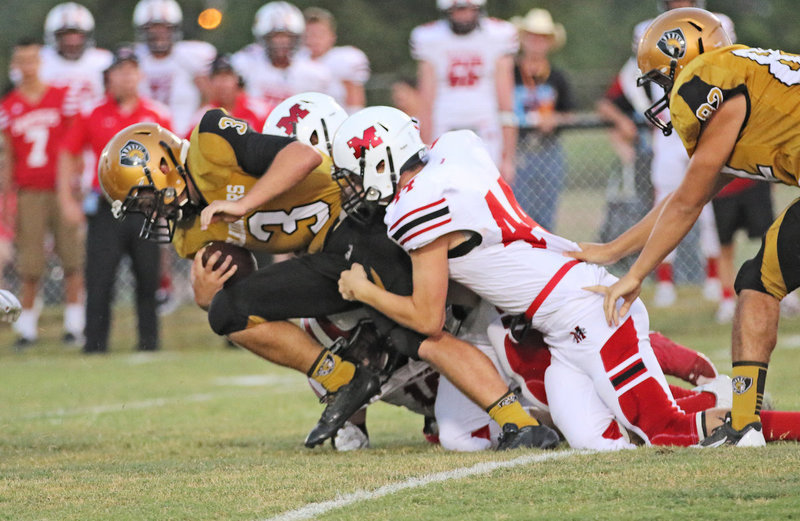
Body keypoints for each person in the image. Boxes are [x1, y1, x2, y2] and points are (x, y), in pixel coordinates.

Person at [332, 106, 733, 449]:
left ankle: (757, 419)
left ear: (382, 161)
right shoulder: (452, 152)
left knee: (663, 429)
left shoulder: (414, 207)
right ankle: (721, 403)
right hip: (556, 317)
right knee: (600, 442)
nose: (352, 187)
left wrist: (363, 290)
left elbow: (426, 319)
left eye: (354, 173)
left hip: (583, 307)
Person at [569, 7, 800, 447]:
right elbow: (683, 196)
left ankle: (745, 425)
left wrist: (636, 276)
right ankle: (744, 425)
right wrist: (614, 250)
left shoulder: (707, 77)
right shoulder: (748, 79)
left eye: (662, 78)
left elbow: (688, 203)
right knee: (758, 282)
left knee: (759, 283)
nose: (665, 92)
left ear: (682, 57)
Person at [58, 46, 171, 354]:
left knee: (148, 278)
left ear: (140, 75)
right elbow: (67, 152)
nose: (126, 76)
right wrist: (67, 199)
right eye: (120, 70)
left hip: (146, 206)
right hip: (108, 208)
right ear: (109, 76)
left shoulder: (156, 114)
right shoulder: (91, 113)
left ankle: (149, 344)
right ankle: (95, 344)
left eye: (132, 70)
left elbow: (173, 160)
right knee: (99, 278)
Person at [631, 0, 736, 307]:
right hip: (668, 129)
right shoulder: (646, 28)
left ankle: (715, 278)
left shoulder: (717, 23)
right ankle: (664, 280)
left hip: (705, 125)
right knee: (663, 204)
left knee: (710, 209)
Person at [1, 38, 84, 347]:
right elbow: (8, 157)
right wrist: (7, 198)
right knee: (30, 264)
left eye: (32, 60)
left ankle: (75, 324)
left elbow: (74, 146)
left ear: (41, 62)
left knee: (72, 259)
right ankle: (27, 328)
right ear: (15, 65)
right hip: (29, 191)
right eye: (21, 60)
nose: (27, 67)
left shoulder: (62, 97)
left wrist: (74, 186)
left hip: (60, 189)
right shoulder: (9, 106)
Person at [410, 0, 518, 181]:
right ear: (447, 10)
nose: (463, 15)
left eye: (467, 8)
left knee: (489, 185)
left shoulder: (499, 34)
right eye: (458, 9)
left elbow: (506, 99)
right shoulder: (429, 37)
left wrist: (508, 157)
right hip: (443, 121)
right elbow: (426, 100)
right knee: (443, 183)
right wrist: (424, 148)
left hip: (486, 122)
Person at [508, 8, 574, 230]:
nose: (536, 42)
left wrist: (555, 119)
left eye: (542, 38)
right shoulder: (508, 73)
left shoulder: (557, 76)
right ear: (523, 39)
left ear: (549, 42)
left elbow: (569, 112)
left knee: (546, 214)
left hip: (548, 150)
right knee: (517, 212)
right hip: (516, 149)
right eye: (532, 36)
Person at [132, 0, 217, 138]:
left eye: (164, 28)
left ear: (174, 29)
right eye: (153, 28)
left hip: (185, 136)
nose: (159, 34)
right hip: (144, 138)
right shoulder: (135, 60)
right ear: (143, 30)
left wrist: (196, 122)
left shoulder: (190, 56)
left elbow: (210, 97)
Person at [232, 2, 331, 111]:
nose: (281, 42)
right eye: (275, 37)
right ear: (264, 38)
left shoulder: (314, 73)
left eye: (287, 37)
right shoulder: (246, 63)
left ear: (296, 38)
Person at [711, 179, 774, 323]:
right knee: (725, 247)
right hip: (722, 189)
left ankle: (783, 294)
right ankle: (727, 300)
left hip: (753, 181)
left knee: (771, 240)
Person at [39, 2, 112, 117]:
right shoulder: (41, 61)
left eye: (77, 37)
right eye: (66, 37)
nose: (72, 43)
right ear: (54, 37)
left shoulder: (103, 61)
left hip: (93, 124)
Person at [300, 7, 370, 114]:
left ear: (332, 36)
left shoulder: (345, 58)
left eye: (319, 34)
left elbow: (355, 99)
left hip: (337, 122)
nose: (313, 40)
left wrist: (352, 124)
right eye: (307, 35)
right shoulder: (295, 60)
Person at [185, 54, 269, 138]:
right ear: (210, 82)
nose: (222, 84)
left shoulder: (259, 110)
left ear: (237, 79)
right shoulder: (203, 116)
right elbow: (186, 145)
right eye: (217, 78)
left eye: (226, 77)